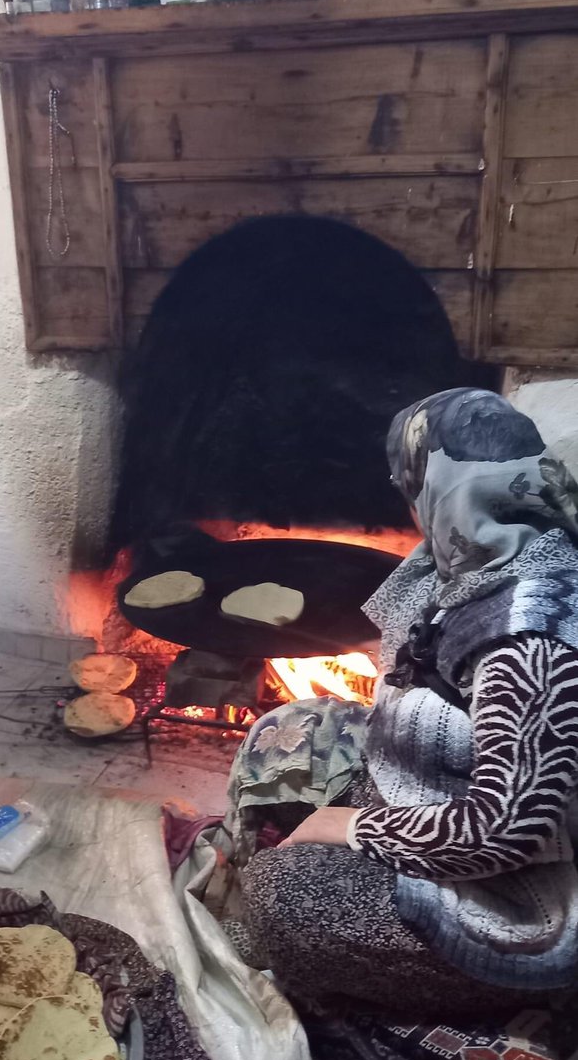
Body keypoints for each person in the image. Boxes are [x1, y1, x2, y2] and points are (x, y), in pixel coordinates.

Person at [224, 387, 578, 1017]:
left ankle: (480, 994)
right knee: (285, 731)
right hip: (442, 787)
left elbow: (506, 830)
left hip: (519, 884)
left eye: (409, 484)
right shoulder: (502, 545)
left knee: (283, 897)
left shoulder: (530, 631)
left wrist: (351, 824)